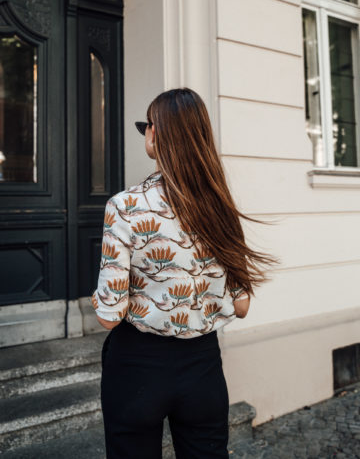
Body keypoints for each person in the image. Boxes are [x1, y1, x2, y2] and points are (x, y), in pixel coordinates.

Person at [91, 88, 280, 459]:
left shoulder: (125, 206)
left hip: (137, 365)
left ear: (155, 134)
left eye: (145, 125)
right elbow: (241, 307)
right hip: (202, 367)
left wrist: (99, 298)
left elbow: (108, 317)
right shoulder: (220, 206)